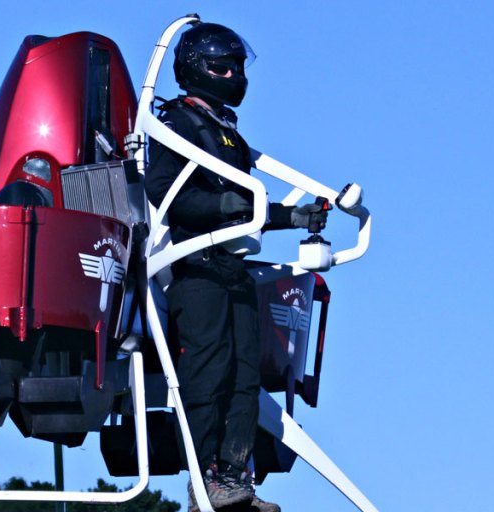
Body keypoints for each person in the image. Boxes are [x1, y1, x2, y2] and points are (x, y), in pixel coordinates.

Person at [143, 21, 327, 512]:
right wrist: (221, 202)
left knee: (246, 374)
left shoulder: (227, 132)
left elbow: (248, 207)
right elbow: (163, 191)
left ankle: (236, 479)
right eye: (222, 66)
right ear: (194, 69)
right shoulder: (177, 123)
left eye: (237, 67)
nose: (232, 75)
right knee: (210, 370)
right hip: (193, 266)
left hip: (231, 267)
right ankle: (205, 480)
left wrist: (297, 216)